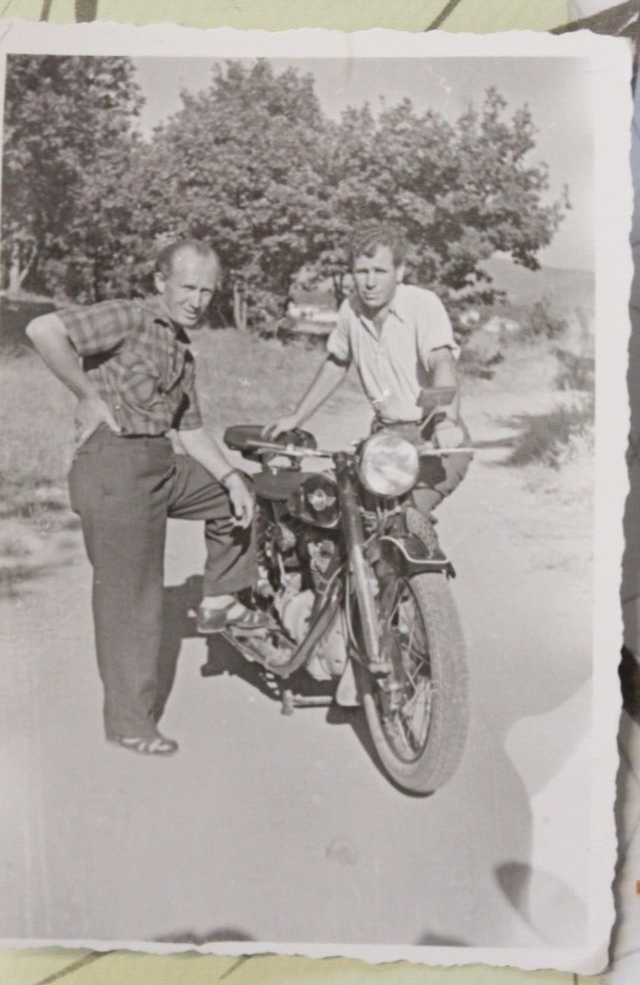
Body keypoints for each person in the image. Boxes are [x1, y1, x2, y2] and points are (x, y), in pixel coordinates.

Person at [26, 239, 268, 756]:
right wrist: (86, 395)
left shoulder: (181, 350)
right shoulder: (130, 319)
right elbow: (43, 329)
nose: (198, 300)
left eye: (207, 290)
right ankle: (131, 723)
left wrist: (229, 478)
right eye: (188, 287)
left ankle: (220, 600)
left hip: (159, 462)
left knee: (243, 496)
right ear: (161, 280)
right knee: (133, 600)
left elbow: (195, 432)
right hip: (114, 464)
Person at [264, 221, 471, 520]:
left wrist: (444, 421)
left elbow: (442, 362)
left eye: (380, 271)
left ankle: (422, 566)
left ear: (399, 272)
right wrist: (297, 416)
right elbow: (337, 361)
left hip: (435, 438)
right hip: (387, 440)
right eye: (362, 272)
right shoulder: (350, 309)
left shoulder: (421, 304)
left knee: (407, 518)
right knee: (346, 514)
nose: (370, 282)